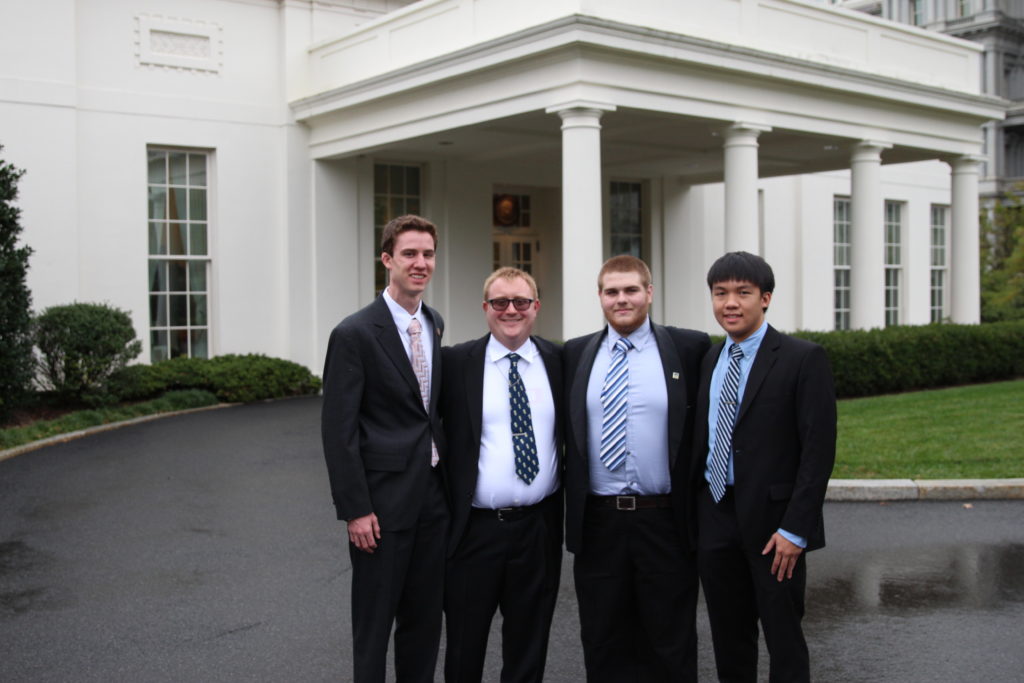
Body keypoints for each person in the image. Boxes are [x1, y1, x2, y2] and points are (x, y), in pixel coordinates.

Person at [563, 255, 710, 682]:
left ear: (649, 292)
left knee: (671, 641)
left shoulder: (690, 347)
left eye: (631, 290)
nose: (621, 299)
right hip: (599, 523)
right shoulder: (575, 354)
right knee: (603, 639)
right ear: (600, 297)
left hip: (664, 518)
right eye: (612, 291)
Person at [692, 251, 836, 683]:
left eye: (743, 293)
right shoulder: (710, 360)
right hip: (716, 517)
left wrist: (797, 530)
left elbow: (817, 452)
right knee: (729, 638)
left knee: (783, 639)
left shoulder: (802, 358)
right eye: (720, 294)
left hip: (777, 529)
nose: (730, 303)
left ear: (766, 298)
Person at [320, 214, 448, 683]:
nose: (420, 263)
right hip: (381, 508)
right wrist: (356, 509)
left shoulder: (434, 322)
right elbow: (339, 430)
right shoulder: (354, 333)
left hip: (433, 501)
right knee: (373, 628)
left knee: (424, 622)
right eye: (410, 254)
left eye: (428, 254)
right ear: (387, 259)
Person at [440, 267, 563, 683]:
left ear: (536, 307)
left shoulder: (557, 361)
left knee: (529, 647)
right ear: (485, 308)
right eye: (500, 302)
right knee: (463, 645)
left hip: (537, 530)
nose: (511, 310)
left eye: (521, 302)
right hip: (475, 532)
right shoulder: (456, 363)